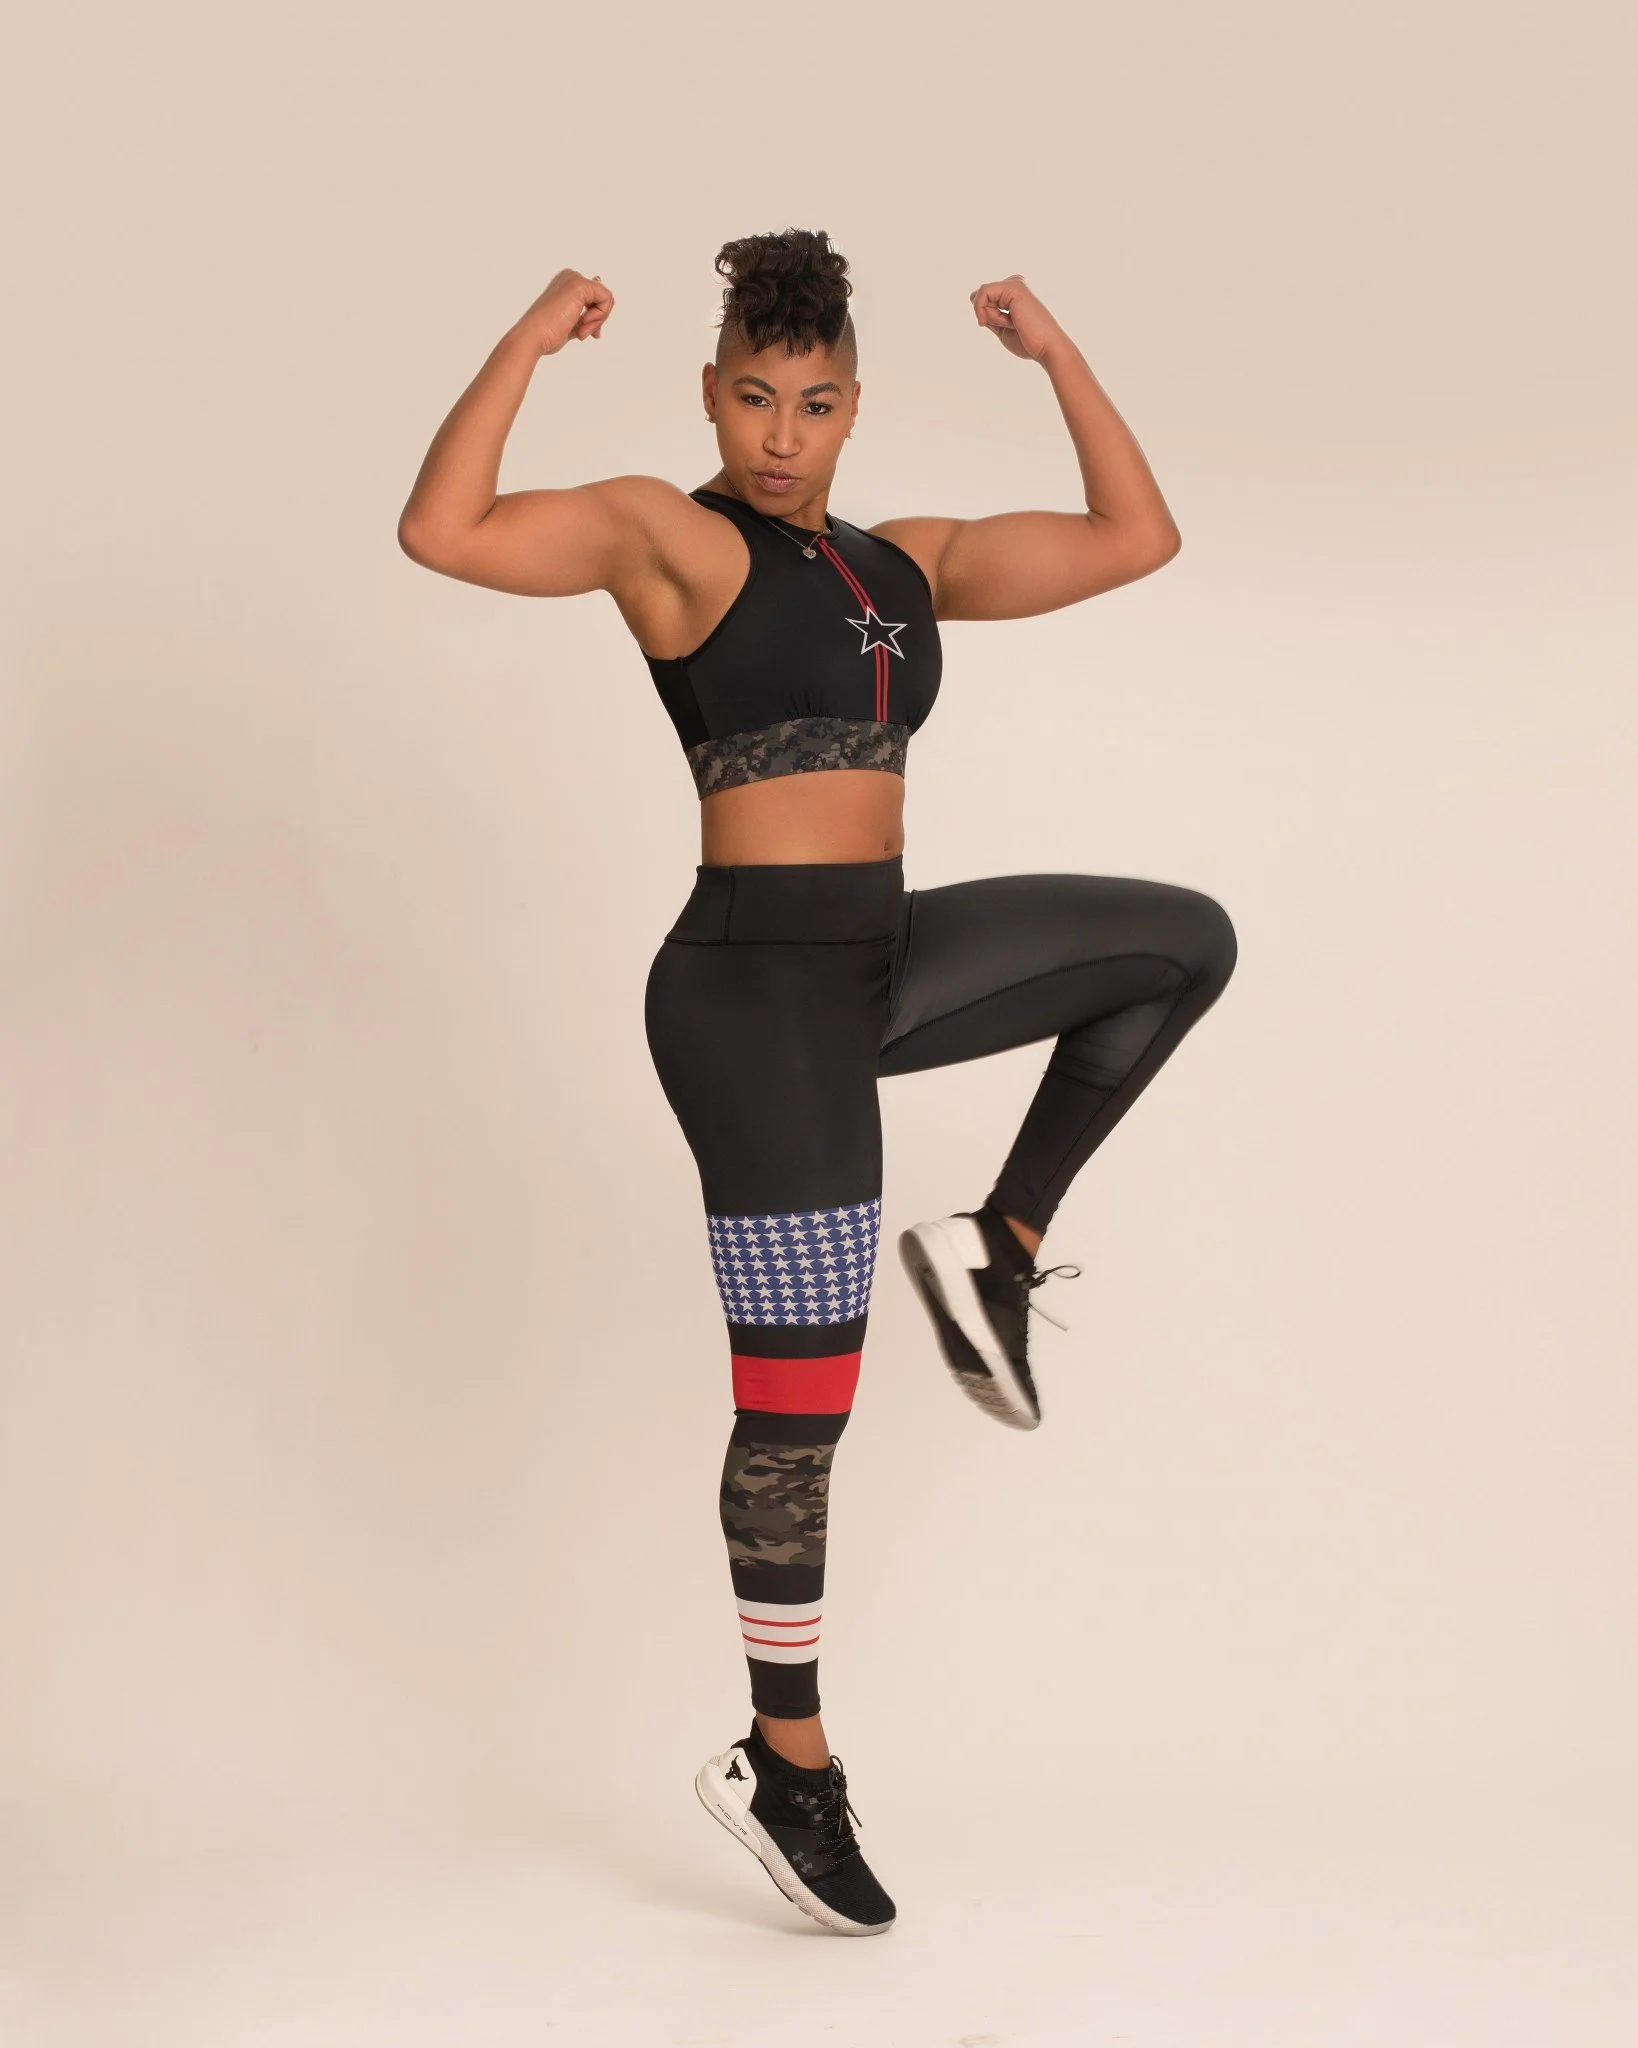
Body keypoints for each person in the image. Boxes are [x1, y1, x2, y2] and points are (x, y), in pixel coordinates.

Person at [397, 228, 1237, 1937]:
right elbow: (444, 531)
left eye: (817, 403)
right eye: (756, 398)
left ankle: (997, 1245)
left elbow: (1133, 538)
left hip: (877, 957)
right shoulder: (668, 535)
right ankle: (785, 1763)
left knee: (1177, 943)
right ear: (712, 394)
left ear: (856, 407)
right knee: (801, 1413)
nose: (782, 434)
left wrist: (1056, 354)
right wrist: (529, 338)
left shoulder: (898, 563)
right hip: (749, 998)